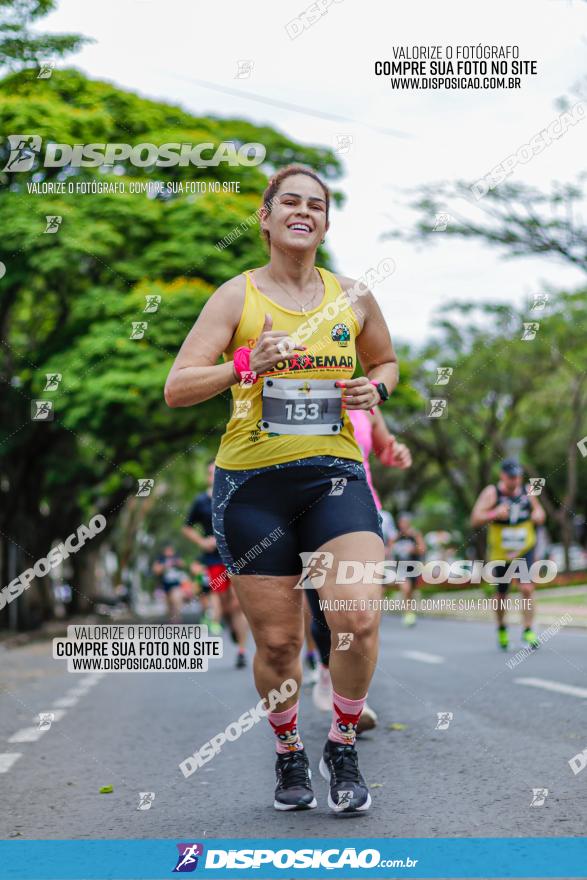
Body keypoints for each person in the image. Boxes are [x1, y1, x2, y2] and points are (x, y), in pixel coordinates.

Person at [164, 164, 398, 813]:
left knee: (354, 616)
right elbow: (177, 386)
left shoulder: (351, 296)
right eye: (289, 202)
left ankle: (341, 743)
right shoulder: (235, 297)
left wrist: (373, 388)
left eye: (315, 204)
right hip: (251, 487)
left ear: (325, 221)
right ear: (265, 218)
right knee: (276, 643)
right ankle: (289, 751)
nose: (303, 211)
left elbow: (385, 360)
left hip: (334, 476)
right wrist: (244, 364)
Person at [307, 407, 411, 733]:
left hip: (360, 509)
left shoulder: (366, 399)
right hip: (308, 506)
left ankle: (354, 701)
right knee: (324, 610)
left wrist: (395, 452)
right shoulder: (295, 385)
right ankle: (326, 668)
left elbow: (384, 447)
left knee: (359, 611)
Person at [471, 458, 546, 650]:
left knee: (527, 588)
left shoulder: (530, 489)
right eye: (511, 477)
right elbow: (475, 519)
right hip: (500, 553)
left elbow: (540, 513)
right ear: (502, 476)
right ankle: (502, 628)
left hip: (524, 548)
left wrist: (538, 515)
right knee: (501, 595)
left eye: (518, 477)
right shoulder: (491, 492)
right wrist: (493, 514)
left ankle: (528, 630)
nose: (515, 481)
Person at [183, 461, 249, 666]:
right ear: (207, 477)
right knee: (224, 605)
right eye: (211, 473)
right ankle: (232, 628)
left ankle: (241, 651)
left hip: (237, 555)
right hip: (213, 559)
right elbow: (187, 527)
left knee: (237, 604)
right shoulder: (201, 501)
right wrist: (202, 541)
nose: (214, 476)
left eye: (217, 472)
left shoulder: (234, 494)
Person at [390, 513, 426, 627]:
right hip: (401, 566)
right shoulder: (396, 536)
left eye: (405, 522)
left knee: (411, 590)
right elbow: (390, 548)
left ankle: (409, 611)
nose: (403, 525)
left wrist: (413, 549)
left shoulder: (414, 534)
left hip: (413, 565)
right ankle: (408, 613)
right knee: (405, 588)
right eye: (401, 522)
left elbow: (422, 549)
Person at [151, 544, 185, 623]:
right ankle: (172, 618)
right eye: (168, 550)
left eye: (171, 550)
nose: (170, 552)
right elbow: (155, 570)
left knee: (177, 599)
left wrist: (176, 562)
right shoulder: (160, 559)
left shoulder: (176, 557)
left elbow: (182, 564)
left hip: (175, 584)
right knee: (169, 605)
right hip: (164, 585)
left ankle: (177, 619)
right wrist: (164, 566)